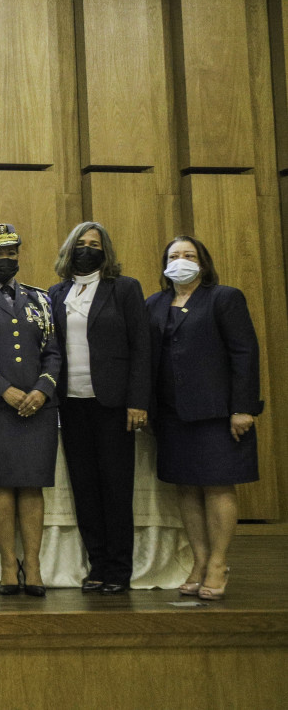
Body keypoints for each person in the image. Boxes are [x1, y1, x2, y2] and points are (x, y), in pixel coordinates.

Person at [145, 236, 261, 600]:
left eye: (189, 255)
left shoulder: (224, 298)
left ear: (203, 263)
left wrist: (242, 407)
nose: (180, 261)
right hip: (171, 414)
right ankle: (198, 560)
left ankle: (218, 563)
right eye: (174, 256)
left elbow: (244, 353)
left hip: (217, 412)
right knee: (186, 487)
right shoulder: (154, 303)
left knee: (217, 486)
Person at [48, 222, 150, 594]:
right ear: (69, 249)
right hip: (71, 404)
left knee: (115, 487)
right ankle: (98, 564)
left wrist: (138, 401)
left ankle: (119, 569)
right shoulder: (57, 292)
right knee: (85, 488)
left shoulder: (124, 288)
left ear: (105, 251)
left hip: (113, 403)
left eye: (94, 244)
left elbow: (141, 347)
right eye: (81, 243)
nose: (87, 249)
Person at [0, 224, 61, 597]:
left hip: (38, 408)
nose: (5, 259)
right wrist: (2, 390)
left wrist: (42, 390)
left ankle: (32, 565)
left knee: (32, 485)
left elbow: (54, 351)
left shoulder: (41, 299)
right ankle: (8, 564)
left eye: (11, 253)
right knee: (1, 486)